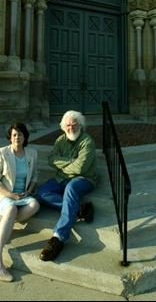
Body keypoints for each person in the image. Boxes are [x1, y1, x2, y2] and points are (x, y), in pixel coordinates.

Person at [37, 110, 98, 261]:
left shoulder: (87, 141)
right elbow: (51, 159)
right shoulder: (60, 140)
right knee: (41, 193)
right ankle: (80, 209)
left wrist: (62, 163)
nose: (71, 128)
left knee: (71, 188)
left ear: (80, 125)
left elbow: (80, 169)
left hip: (84, 179)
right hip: (61, 178)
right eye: (68, 125)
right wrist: (71, 162)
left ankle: (58, 238)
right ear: (64, 127)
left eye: (74, 124)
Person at [0, 122, 40, 282]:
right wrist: (10, 194)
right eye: (14, 135)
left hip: (23, 195)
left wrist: (29, 191)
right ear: (10, 137)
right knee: (11, 209)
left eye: (20, 134)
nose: (17, 137)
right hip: (3, 194)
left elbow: (35, 175)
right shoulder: (2, 153)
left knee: (34, 205)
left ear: (25, 137)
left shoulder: (32, 153)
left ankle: (0, 226)